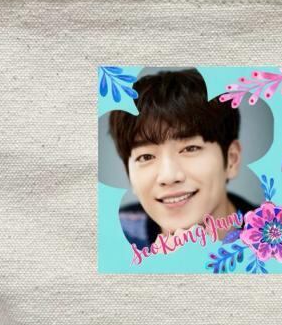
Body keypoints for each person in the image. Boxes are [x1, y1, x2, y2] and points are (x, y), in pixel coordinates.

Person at [108, 69, 255, 248]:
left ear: (231, 159)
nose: (169, 176)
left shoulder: (277, 238)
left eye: (190, 148)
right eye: (146, 156)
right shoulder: (108, 239)